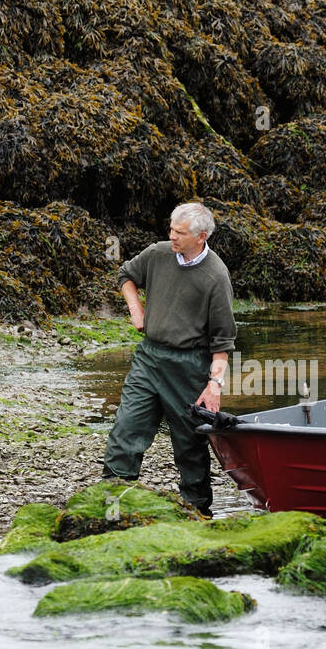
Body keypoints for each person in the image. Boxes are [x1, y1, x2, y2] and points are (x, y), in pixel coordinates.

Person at [101, 202, 235, 516]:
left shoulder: (216, 277)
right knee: (125, 431)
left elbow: (223, 342)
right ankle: (111, 506)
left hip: (189, 366)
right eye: (171, 229)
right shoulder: (158, 253)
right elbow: (126, 275)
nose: (171, 236)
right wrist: (136, 309)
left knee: (190, 446)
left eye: (180, 232)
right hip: (148, 358)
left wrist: (214, 385)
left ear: (201, 236)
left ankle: (198, 512)